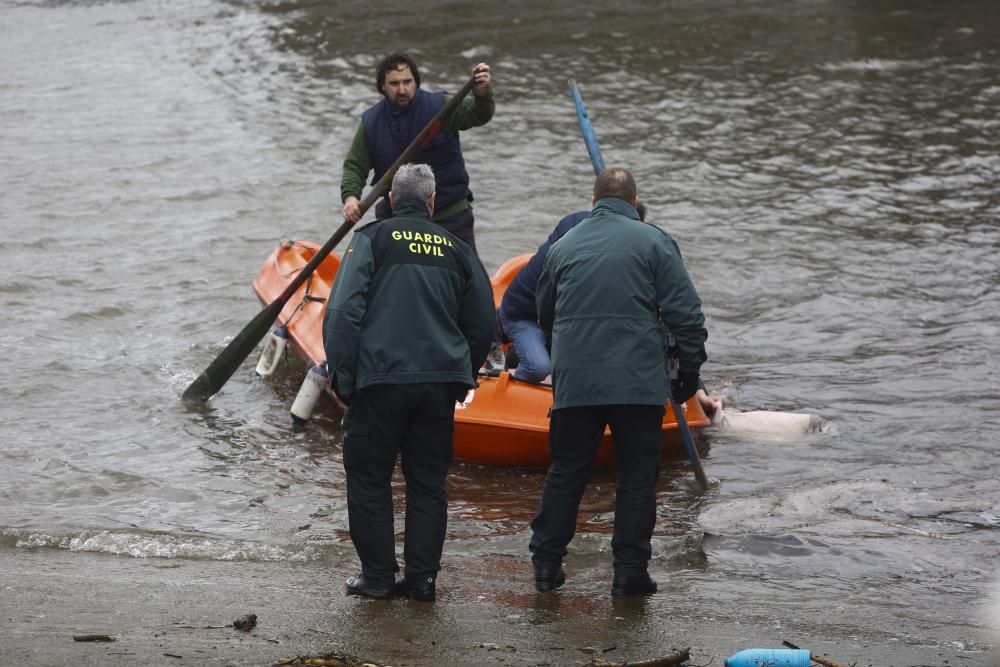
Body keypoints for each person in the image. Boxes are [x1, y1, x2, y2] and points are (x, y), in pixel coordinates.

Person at [528, 168, 709, 597]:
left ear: (592, 201)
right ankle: (629, 574)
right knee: (637, 478)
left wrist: (566, 357)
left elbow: (545, 314)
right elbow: (687, 316)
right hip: (638, 383)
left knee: (566, 474)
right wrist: (690, 372)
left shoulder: (563, 246)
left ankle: (546, 567)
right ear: (635, 201)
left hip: (577, 384)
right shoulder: (655, 241)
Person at [323, 163, 496, 601]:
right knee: (427, 484)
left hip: (379, 382)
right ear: (433, 201)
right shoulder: (458, 250)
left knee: (368, 479)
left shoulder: (369, 240)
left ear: (392, 200)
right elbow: (482, 323)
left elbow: (343, 315)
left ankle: (378, 578)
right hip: (437, 386)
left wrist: (344, 378)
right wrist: (464, 375)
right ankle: (421, 581)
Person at [497, 207, 723, 419]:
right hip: (525, 315)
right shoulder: (576, 247)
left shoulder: (629, 257)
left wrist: (695, 388)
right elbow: (554, 316)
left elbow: (667, 328)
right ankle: (513, 368)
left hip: (561, 320)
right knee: (540, 367)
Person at [340, 53, 494, 255]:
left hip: (449, 217)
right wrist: (351, 198)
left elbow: (478, 114)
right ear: (382, 87)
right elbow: (355, 165)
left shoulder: (441, 106)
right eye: (394, 83)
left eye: (407, 82)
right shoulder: (371, 123)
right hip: (397, 221)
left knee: (470, 280)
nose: (402, 89)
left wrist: (482, 94)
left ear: (416, 82)